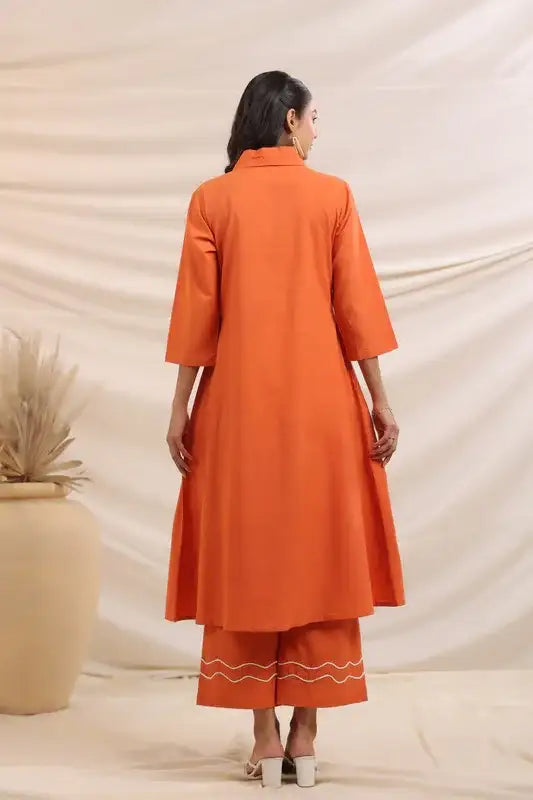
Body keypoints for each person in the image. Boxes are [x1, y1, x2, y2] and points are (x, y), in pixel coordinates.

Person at [164, 70, 405, 788]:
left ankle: (265, 739)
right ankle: (306, 733)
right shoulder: (331, 196)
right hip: (320, 407)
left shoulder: (212, 199)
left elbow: (197, 318)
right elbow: (355, 308)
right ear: (290, 120)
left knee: (247, 557)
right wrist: (379, 400)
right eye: (314, 118)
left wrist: (179, 408)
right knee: (317, 555)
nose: (317, 131)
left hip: (236, 408)